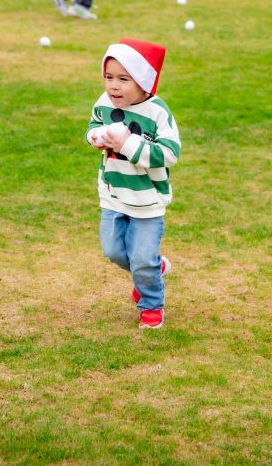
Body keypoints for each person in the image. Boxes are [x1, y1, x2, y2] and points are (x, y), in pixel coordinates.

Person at [86, 38, 181, 330]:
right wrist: (96, 137)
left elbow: (169, 154)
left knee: (140, 258)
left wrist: (128, 144)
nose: (113, 86)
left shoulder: (158, 112)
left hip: (147, 200)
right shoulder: (105, 104)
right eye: (109, 77)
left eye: (123, 79)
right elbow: (93, 126)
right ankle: (153, 268)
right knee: (114, 251)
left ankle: (151, 304)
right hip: (113, 193)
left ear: (143, 81)